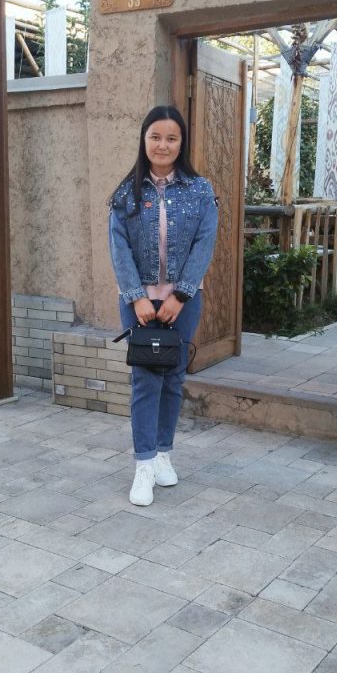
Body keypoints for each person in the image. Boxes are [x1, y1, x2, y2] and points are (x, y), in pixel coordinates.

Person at [109, 105, 219, 506]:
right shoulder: (125, 193)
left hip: (184, 301)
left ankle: (163, 454)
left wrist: (181, 294)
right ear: (144, 139)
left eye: (171, 138)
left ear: (181, 143)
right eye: (156, 136)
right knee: (145, 380)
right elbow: (118, 248)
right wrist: (137, 296)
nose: (163, 144)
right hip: (136, 301)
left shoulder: (200, 190)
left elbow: (204, 244)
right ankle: (142, 465)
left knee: (173, 378)